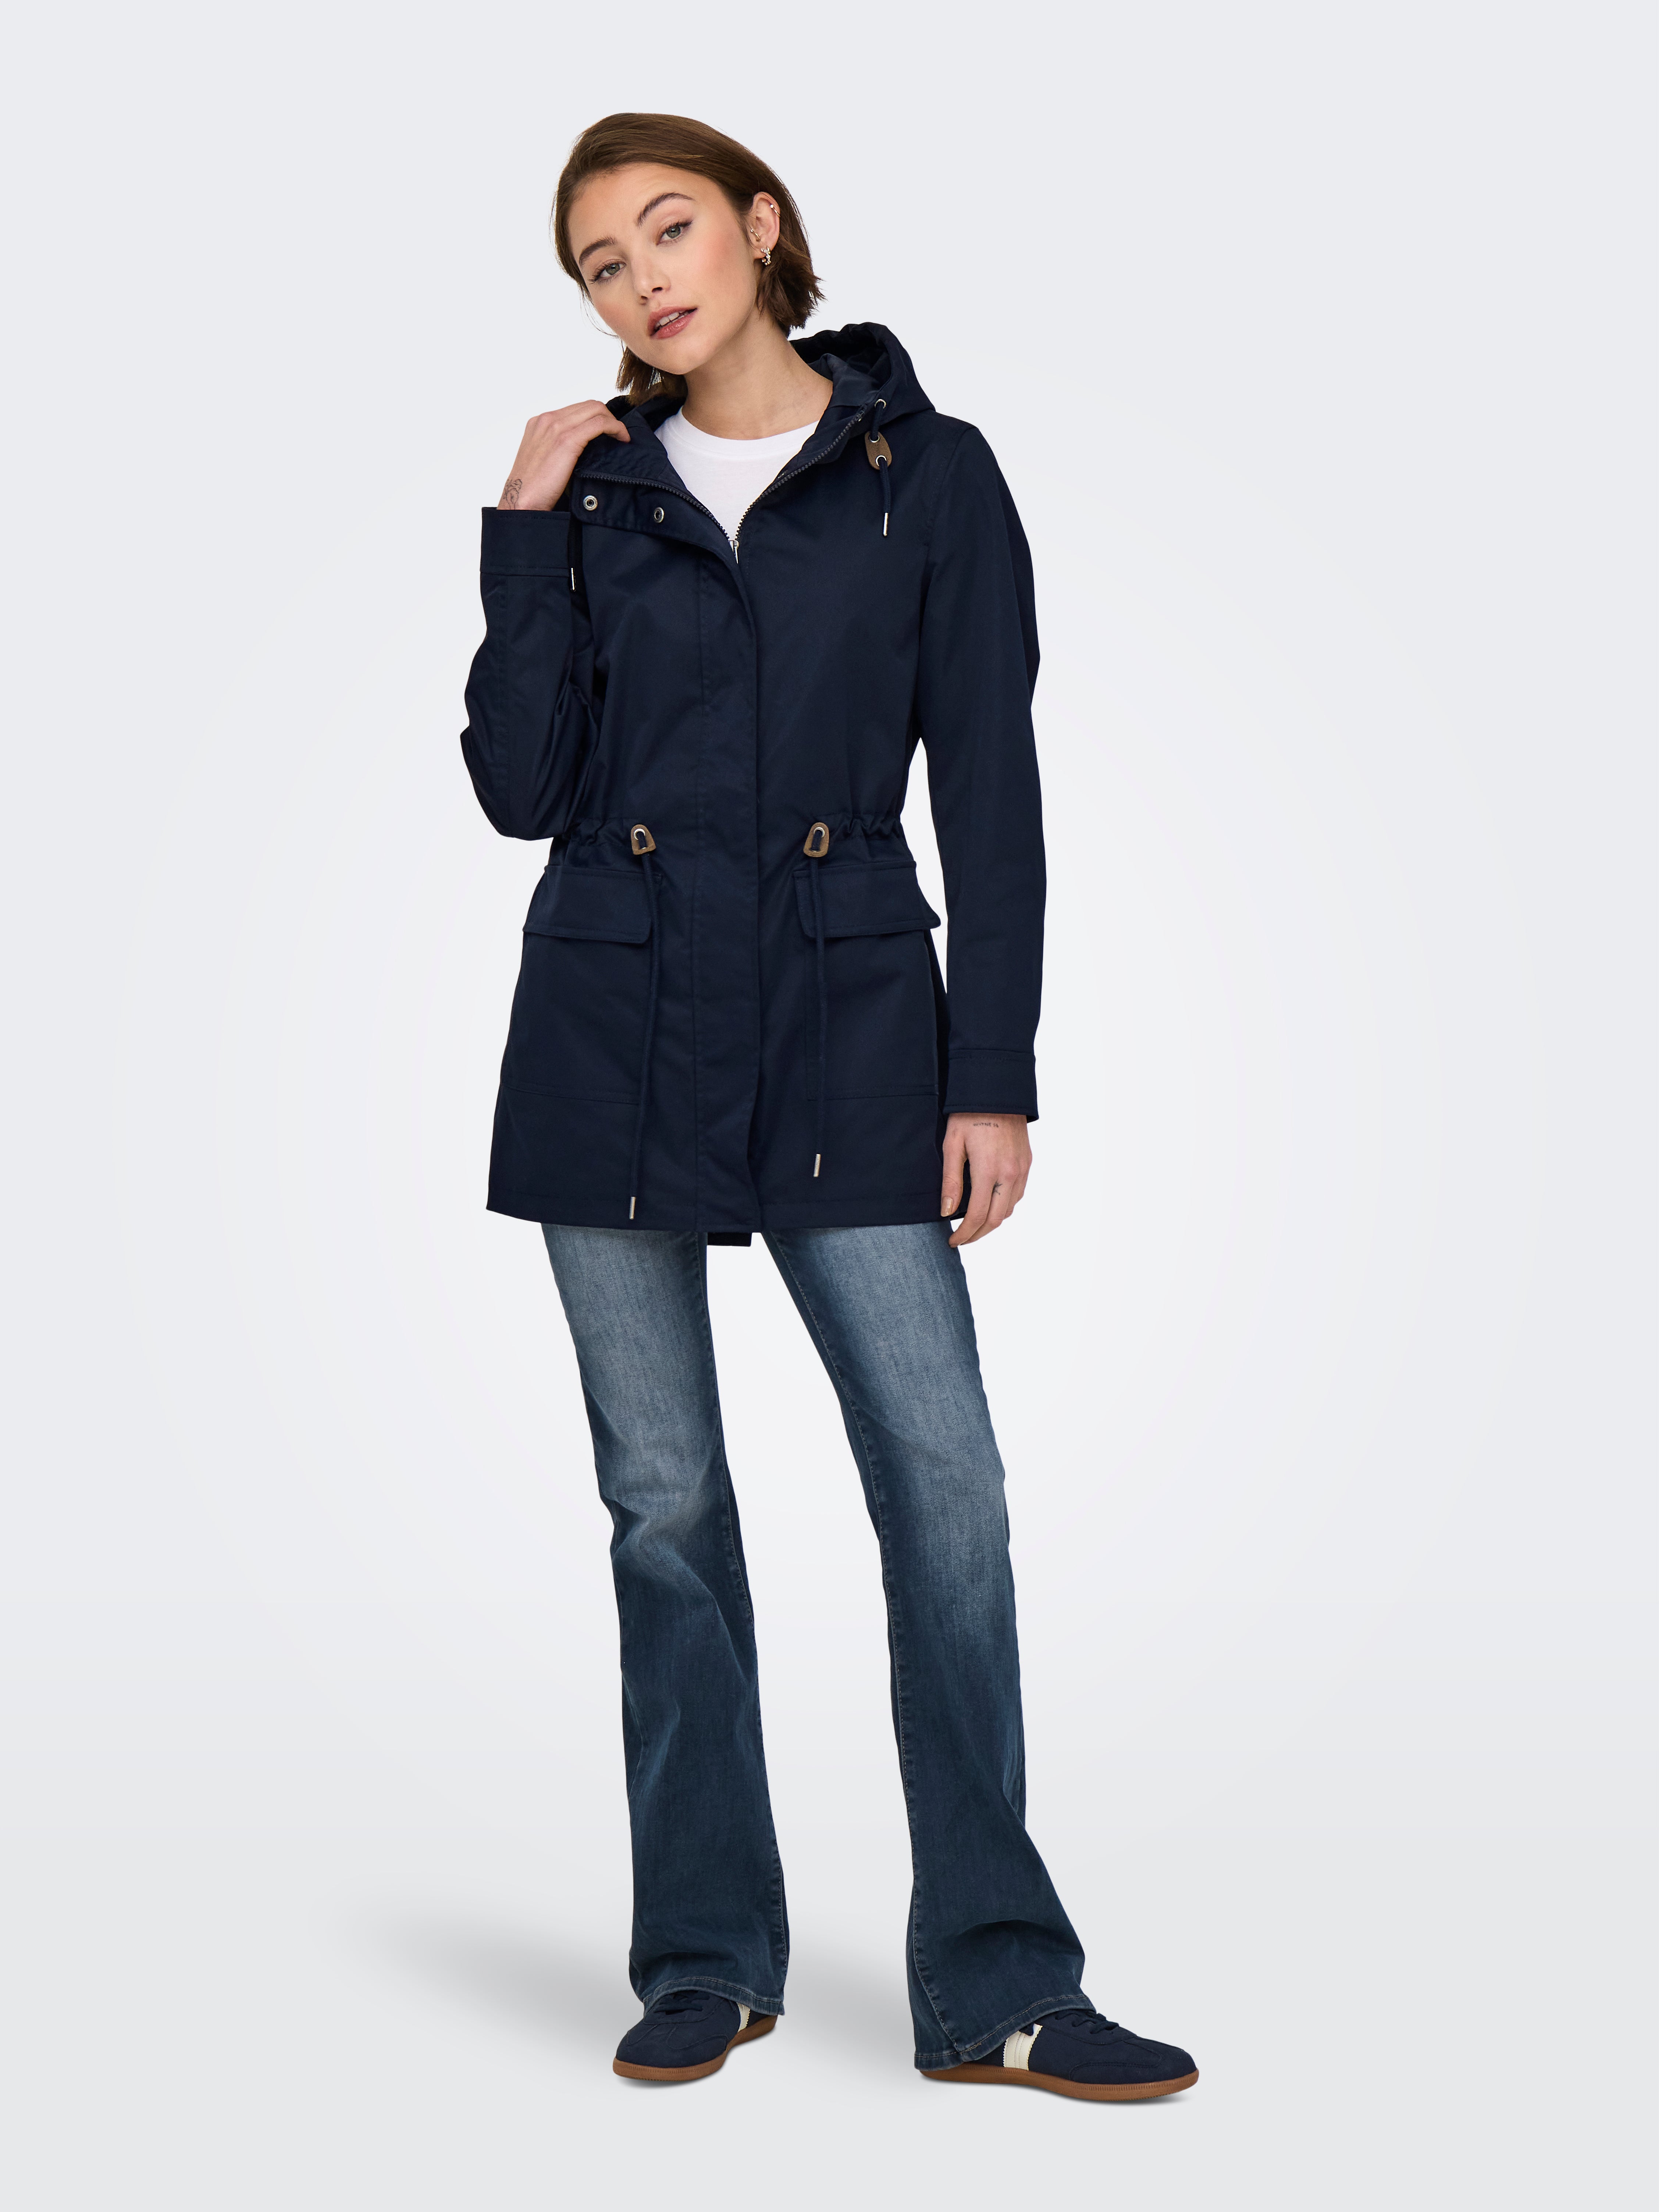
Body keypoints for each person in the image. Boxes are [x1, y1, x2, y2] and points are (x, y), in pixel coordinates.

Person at [460, 111, 1197, 2103]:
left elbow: (993, 790)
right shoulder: (595, 490)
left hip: (853, 1020)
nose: (645, 279)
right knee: (667, 1510)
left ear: (762, 225)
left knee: (945, 1492)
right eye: (602, 262)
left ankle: (1000, 1983)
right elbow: (520, 788)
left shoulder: (926, 476)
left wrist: (994, 1074)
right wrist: (520, 533)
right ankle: (708, 1956)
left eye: (670, 228)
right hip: (612, 1026)